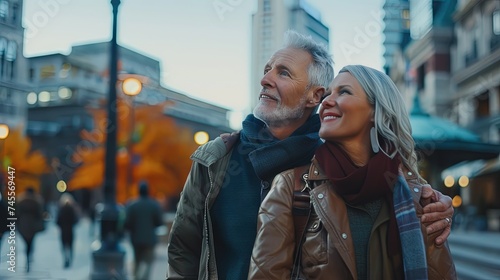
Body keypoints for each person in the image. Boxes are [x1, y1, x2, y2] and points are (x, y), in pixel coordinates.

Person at [166, 31, 454, 279]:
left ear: (314, 96)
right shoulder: (215, 158)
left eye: (283, 72)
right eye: (267, 69)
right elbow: (183, 250)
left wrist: (435, 203)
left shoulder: (333, 167)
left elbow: (382, 180)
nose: (265, 79)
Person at [249, 65, 457, 279]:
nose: (326, 101)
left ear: (376, 110)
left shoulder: (419, 198)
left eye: (344, 92)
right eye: (328, 94)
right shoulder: (290, 186)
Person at [125, 181, 163, 280]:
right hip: (150, 239)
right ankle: (144, 278)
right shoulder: (154, 205)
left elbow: (127, 224)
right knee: (148, 263)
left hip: (136, 239)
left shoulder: (132, 205)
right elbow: (159, 222)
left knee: (137, 262)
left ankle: (136, 277)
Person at [17, 187, 45, 272]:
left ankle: (27, 257)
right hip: (33, 226)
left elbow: (16, 214)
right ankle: (29, 256)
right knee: (30, 242)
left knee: (26, 242)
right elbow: (40, 215)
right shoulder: (36, 202)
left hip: (23, 226)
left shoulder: (20, 202)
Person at [56, 192, 79, 268]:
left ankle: (66, 258)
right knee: (70, 245)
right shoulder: (72, 209)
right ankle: (70, 259)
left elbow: (58, 221)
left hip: (63, 230)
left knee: (64, 245)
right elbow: (76, 220)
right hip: (70, 230)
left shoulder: (61, 209)